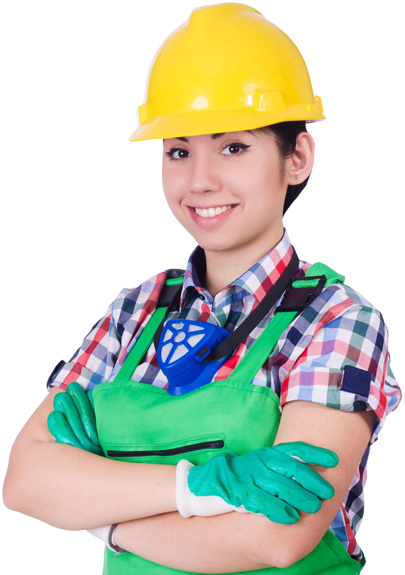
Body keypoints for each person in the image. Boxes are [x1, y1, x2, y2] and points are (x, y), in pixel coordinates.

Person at [3, 3, 401, 574]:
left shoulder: (338, 321)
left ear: (297, 158)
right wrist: (200, 487)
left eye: (233, 146)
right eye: (178, 151)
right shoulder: (133, 315)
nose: (199, 180)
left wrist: (107, 522)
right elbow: (26, 482)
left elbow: (276, 537)